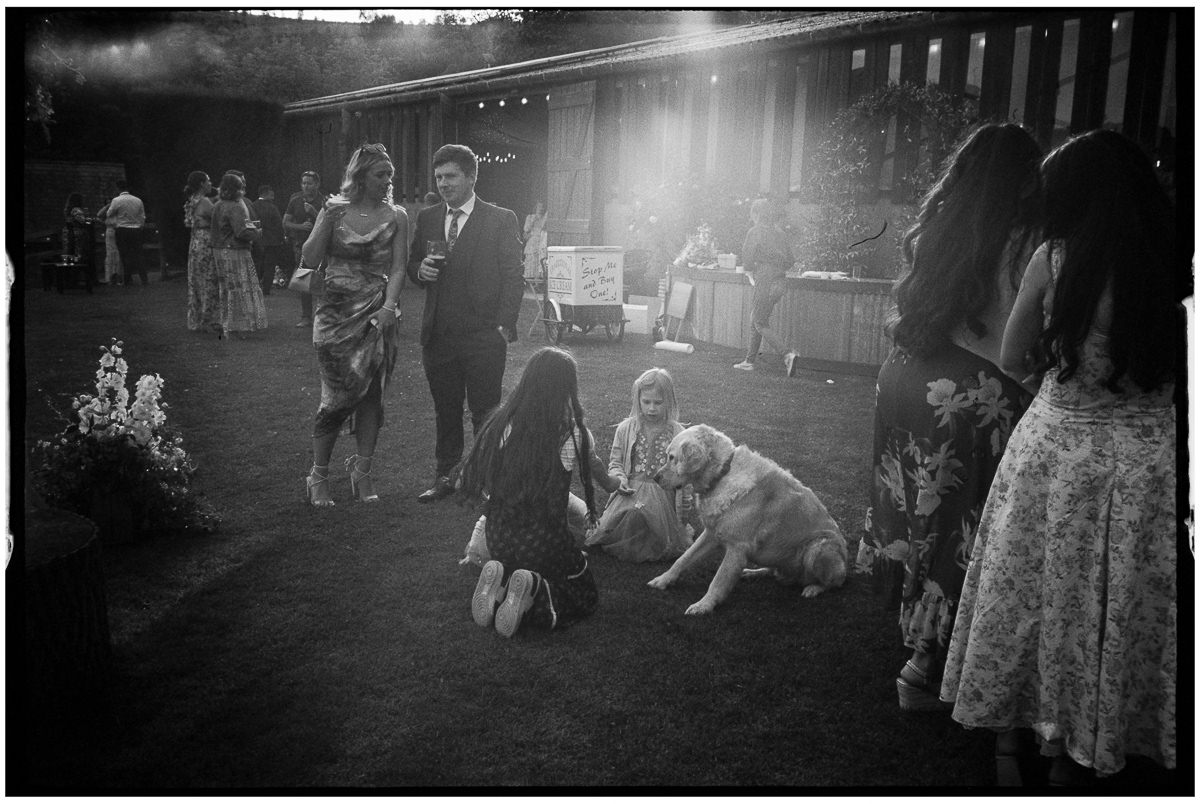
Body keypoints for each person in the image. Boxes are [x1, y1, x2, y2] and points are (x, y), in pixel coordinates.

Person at [940, 130, 1179, 785]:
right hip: (1145, 461)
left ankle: (1016, 741)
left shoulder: (1056, 258)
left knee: (1031, 592)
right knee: (1114, 602)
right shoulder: (1173, 264)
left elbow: (1015, 356)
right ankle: (1093, 737)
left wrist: (1060, 379)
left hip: (1056, 449)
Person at [854, 123, 1042, 712]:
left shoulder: (940, 225)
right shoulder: (1024, 237)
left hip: (907, 377)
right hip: (970, 393)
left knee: (918, 508)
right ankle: (926, 664)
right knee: (965, 524)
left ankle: (915, 642)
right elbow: (1016, 342)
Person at [458, 347, 620, 638]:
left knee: (514, 557)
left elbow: (480, 477)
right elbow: (589, 465)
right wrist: (612, 485)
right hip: (542, 542)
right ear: (567, 388)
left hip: (499, 536)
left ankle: (501, 584)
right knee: (579, 582)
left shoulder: (500, 423)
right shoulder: (570, 434)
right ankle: (535, 590)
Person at [407, 143, 524, 503]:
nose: (443, 183)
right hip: (439, 335)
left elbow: (513, 275)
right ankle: (446, 476)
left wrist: (504, 326)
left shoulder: (500, 218)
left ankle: (487, 479)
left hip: (483, 336)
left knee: (485, 412)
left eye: (451, 176)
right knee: (445, 409)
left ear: (471, 177)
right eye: (439, 177)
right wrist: (420, 271)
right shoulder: (428, 217)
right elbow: (413, 265)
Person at [301, 143, 408, 507]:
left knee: (372, 398)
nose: (387, 181)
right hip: (333, 314)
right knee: (334, 399)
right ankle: (318, 475)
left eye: (390, 175)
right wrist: (325, 221)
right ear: (361, 177)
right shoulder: (334, 211)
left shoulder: (397, 217)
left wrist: (389, 308)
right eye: (381, 175)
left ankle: (362, 472)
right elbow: (310, 257)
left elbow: (397, 268)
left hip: (377, 314)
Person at [585, 367, 695, 562]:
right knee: (621, 521)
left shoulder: (678, 433)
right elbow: (616, 462)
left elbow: (683, 474)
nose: (652, 408)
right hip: (630, 491)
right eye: (646, 402)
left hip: (662, 495)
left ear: (669, 401)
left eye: (658, 403)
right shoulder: (626, 429)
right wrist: (619, 479)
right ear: (638, 400)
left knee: (655, 526)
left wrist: (683, 512)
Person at [732, 198, 801, 375]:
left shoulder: (755, 232)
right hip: (780, 282)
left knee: (759, 321)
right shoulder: (780, 234)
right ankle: (749, 360)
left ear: (756, 214)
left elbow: (747, 258)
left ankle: (787, 354)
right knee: (756, 317)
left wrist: (752, 270)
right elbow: (791, 260)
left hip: (765, 278)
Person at [211, 173, 267, 339]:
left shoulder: (218, 204)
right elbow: (241, 231)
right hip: (235, 251)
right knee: (239, 288)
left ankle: (226, 323)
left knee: (226, 289)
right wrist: (257, 233)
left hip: (219, 250)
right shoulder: (235, 206)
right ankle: (238, 327)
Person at [284, 170, 326, 328]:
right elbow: (286, 222)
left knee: (324, 279)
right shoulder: (295, 200)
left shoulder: (325, 201)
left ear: (317, 184)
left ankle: (323, 314)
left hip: (321, 245)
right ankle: (306, 316)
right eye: (304, 183)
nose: (306, 186)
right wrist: (300, 226)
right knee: (305, 280)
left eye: (309, 183)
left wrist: (315, 214)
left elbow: (330, 223)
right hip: (302, 245)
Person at [183, 171, 220, 332]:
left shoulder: (194, 200)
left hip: (195, 242)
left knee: (197, 281)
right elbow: (217, 216)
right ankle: (209, 320)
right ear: (202, 184)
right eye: (208, 180)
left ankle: (197, 319)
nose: (211, 183)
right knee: (209, 281)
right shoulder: (204, 201)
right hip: (206, 242)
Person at [106, 179, 147, 286]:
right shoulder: (138, 200)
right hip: (136, 229)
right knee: (139, 254)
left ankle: (127, 279)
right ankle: (144, 278)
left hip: (122, 229)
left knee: (125, 255)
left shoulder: (116, 200)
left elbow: (109, 213)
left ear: (118, 188)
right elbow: (142, 216)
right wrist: (140, 226)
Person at [250, 185, 287, 296]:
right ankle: (266, 289)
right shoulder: (272, 207)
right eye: (271, 193)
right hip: (272, 241)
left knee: (256, 264)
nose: (273, 195)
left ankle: (254, 288)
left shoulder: (253, 205)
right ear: (265, 193)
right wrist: (282, 238)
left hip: (257, 240)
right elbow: (279, 224)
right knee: (269, 266)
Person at [61, 193, 91, 264]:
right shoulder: (76, 209)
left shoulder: (67, 209)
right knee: (78, 252)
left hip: (68, 232)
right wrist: (88, 218)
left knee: (68, 252)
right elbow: (82, 220)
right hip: (77, 232)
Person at [522, 199, 547, 280]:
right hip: (532, 240)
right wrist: (533, 220)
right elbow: (526, 229)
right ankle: (531, 280)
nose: (541, 208)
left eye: (542, 207)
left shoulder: (544, 218)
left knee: (540, 260)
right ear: (536, 207)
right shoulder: (530, 217)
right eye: (539, 206)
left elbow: (543, 226)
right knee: (532, 260)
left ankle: (539, 281)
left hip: (541, 240)